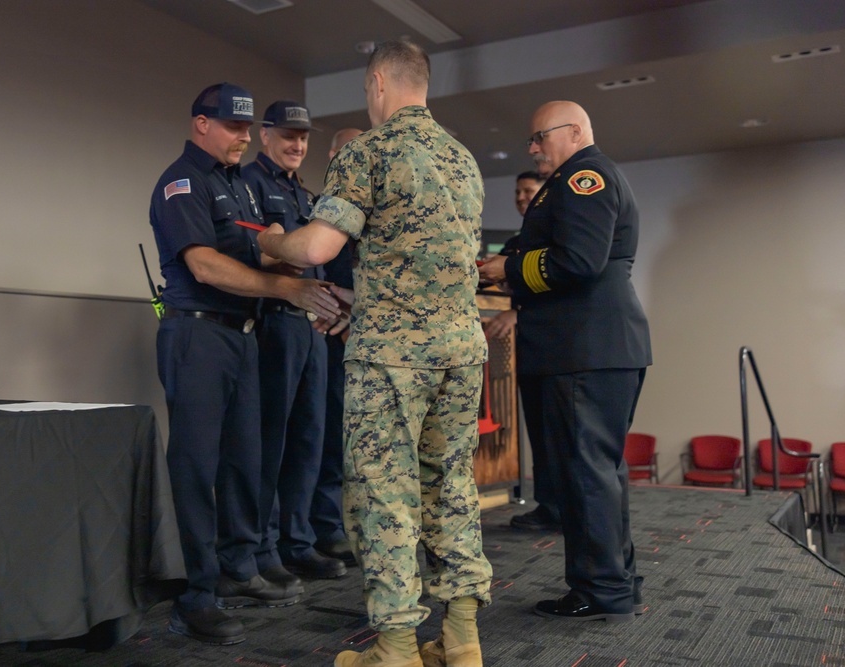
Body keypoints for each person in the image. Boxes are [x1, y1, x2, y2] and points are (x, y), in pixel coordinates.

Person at [257, 40, 492, 667]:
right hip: (462, 351)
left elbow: (315, 248)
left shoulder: (369, 150)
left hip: (392, 359)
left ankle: (395, 651)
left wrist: (274, 243)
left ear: (377, 84)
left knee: (385, 500)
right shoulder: (462, 159)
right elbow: (437, 265)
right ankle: (463, 641)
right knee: (452, 490)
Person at [149, 83, 341, 644]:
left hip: (244, 335)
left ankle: (238, 567)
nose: (239, 135)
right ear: (200, 124)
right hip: (198, 334)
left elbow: (262, 246)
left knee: (244, 462)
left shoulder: (238, 186)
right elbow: (205, 265)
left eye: (244, 126)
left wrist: (314, 285)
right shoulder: (182, 182)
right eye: (231, 126)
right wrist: (286, 291)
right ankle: (196, 595)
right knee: (197, 468)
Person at [479, 100, 652, 622]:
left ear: (574, 132)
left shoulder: (586, 177)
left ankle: (602, 589)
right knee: (599, 472)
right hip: (592, 347)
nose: (532, 149)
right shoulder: (575, 178)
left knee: (586, 474)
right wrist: (508, 265)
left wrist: (507, 267)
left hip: (585, 348)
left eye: (539, 138)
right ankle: (614, 581)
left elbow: (577, 261)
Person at [241, 101, 348, 582]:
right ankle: (262, 547)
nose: (297, 145)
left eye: (303, 137)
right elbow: (256, 254)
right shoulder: (249, 185)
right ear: (265, 136)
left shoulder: (304, 194)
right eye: (287, 135)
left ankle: (297, 541)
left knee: (310, 436)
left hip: (311, 327)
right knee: (271, 441)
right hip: (274, 323)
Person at [481, 172, 562, 533]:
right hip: (524, 355)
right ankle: (549, 506)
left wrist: (517, 313)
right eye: (517, 192)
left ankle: (568, 510)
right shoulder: (516, 242)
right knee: (539, 432)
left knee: (560, 434)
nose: (520, 197)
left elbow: (560, 288)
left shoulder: (555, 238)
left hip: (557, 350)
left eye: (528, 191)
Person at [308, 128, 365, 567]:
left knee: (353, 442)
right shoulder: (315, 207)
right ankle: (320, 527)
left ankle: (342, 525)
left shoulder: (375, 207)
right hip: (321, 334)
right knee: (322, 434)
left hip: (362, 336)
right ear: (331, 156)